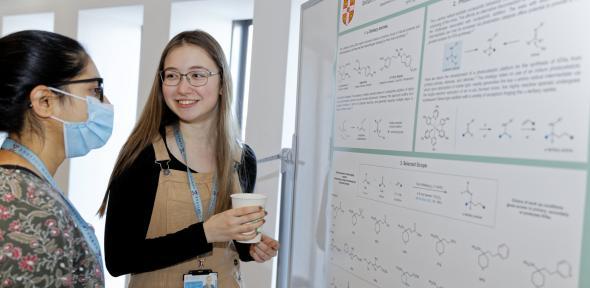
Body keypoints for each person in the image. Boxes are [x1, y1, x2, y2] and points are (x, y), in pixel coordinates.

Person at [99, 30, 279, 287]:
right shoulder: (141, 156)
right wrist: (206, 233)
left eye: (197, 75)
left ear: (222, 83)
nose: (183, 88)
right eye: (172, 75)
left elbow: (232, 245)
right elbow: (119, 259)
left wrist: (249, 246)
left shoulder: (242, 158)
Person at [0, 30, 110, 287]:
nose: (106, 103)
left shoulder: (23, 186)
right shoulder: (25, 203)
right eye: (95, 91)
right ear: (45, 101)